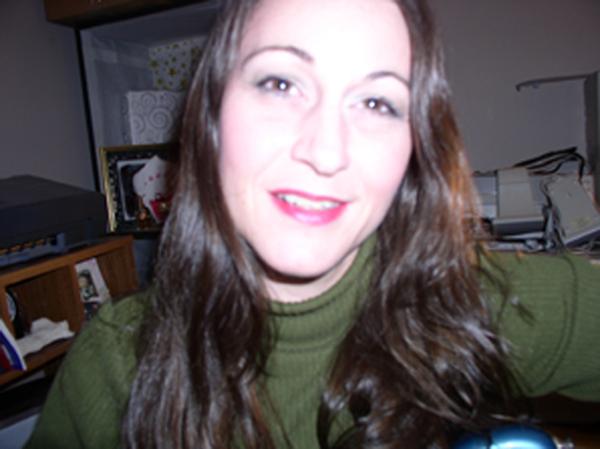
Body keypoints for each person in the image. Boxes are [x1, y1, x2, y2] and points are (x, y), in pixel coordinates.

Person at [26, 0, 600, 448]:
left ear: (414, 148)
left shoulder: (472, 303)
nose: (326, 153)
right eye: (280, 83)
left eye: (376, 103)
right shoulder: (116, 366)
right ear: (211, 115)